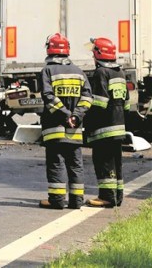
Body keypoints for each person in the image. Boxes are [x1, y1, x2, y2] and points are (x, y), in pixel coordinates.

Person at [38, 33, 92, 209]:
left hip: (55, 128)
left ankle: (57, 201)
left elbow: (48, 97)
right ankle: (76, 201)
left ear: (49, 49)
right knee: (76, 165)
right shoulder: (78, 72)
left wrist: (65, 115)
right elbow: (87, 98)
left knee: (56, 164)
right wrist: (76, 116)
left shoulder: (47, 70)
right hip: (75, 129)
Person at [84, 37, 129, 208]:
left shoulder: (101, 73)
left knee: (103, 161)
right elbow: (125, 103)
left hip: (104, 128)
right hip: (118, 126)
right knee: (116, 162)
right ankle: (117, 196)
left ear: (98, 54)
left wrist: (87, 121)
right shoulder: (120, 72)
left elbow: (99, 103)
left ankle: (107, 197)